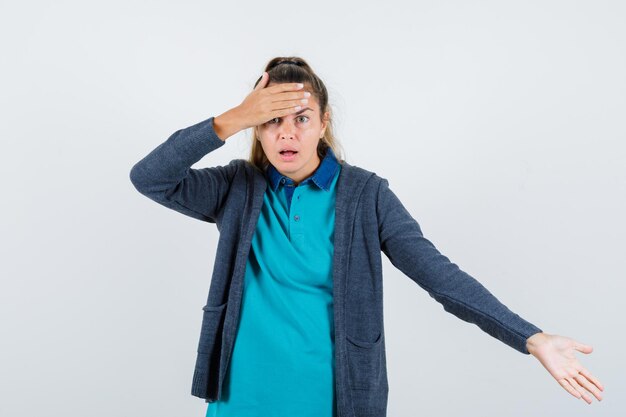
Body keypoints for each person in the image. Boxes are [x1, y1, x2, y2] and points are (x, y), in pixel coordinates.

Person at [129, 57, 604, 417]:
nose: (287, 133)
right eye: (272, 119)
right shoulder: (235, 186)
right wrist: (234, 117)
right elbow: (150, 177)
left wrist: (531, 338)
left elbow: (439, 276)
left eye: (301, 117)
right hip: (240, 397)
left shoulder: (366, 196)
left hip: (332, 399)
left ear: (323, 123)